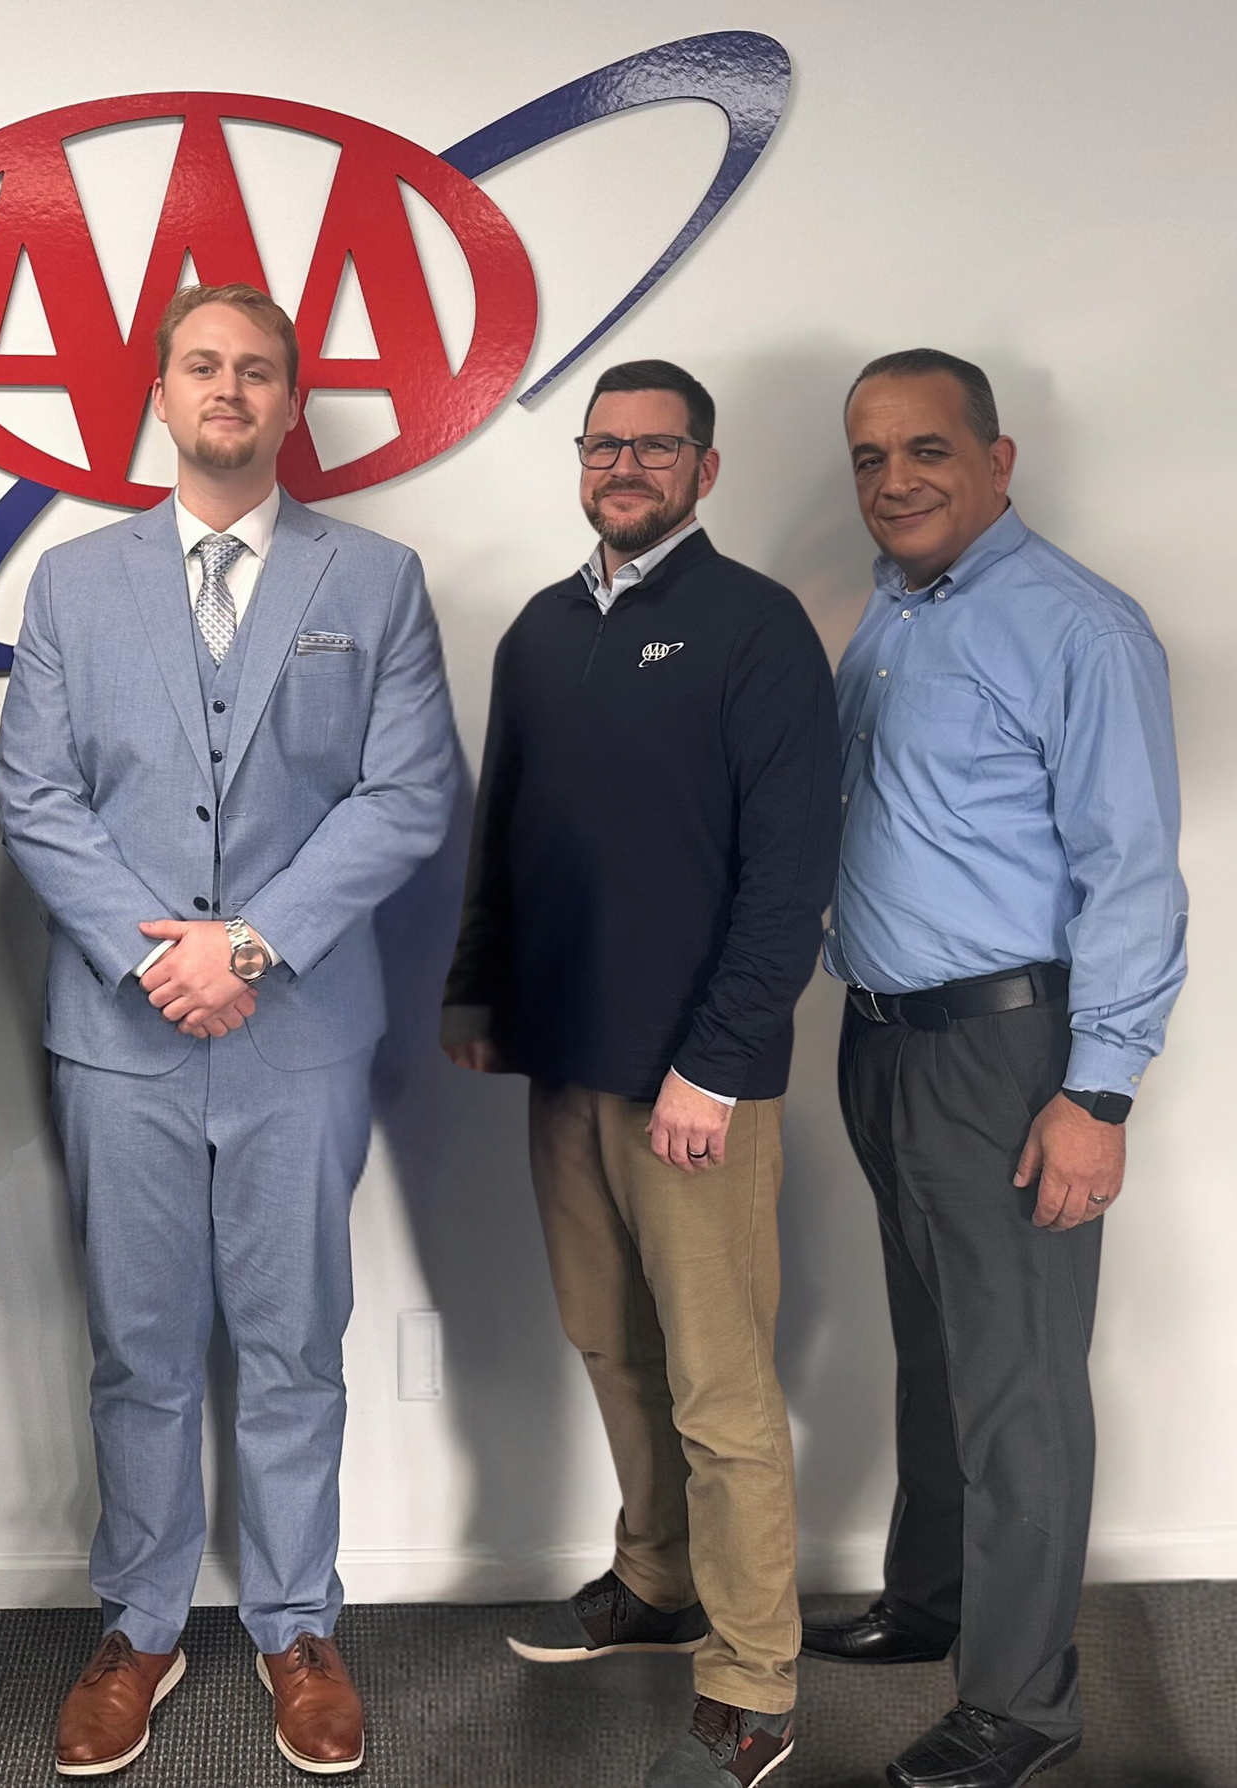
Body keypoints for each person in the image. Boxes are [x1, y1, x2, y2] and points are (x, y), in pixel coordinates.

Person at [0, 282, 456, 1777]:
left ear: (291, 397)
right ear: (162, 389)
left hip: (295, 1029)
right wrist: (162, 964)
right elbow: (36, 797)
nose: (230, 390)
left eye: (259, 369)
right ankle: (138, 1622)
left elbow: (406, 795)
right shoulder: (72, 585)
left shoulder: (374, 580)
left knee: (291, 1340)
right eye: (204, 365)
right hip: (121, 1034)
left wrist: (246, 944)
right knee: (137, 1349)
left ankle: (297, 1626)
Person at [443, 359, 841, 1788]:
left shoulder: (756, 629)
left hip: (694, 1093)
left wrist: (717, 1069)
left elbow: (792, 876)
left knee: (721, 1393)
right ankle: (656, 1585)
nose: (624, 466)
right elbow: (507, 830)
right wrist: (480, 985)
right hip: (565, 1064)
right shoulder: (546, 631)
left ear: (705, 470)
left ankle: (753, 1683)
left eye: (655, 447)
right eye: (603, 445)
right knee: (615, 1348)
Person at [804, 349, 1187, 1788]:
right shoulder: (892, 619)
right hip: (888, 1042)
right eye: (867, 457)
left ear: (998, 458)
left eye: (927, 450)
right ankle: (935, 1600)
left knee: (1018, 1378)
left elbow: (1133, 877)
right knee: (931, 1347)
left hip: (1009, 1052)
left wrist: (1095, 1095)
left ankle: (1021, 1705)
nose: (893, 480)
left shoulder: (1080, 629)